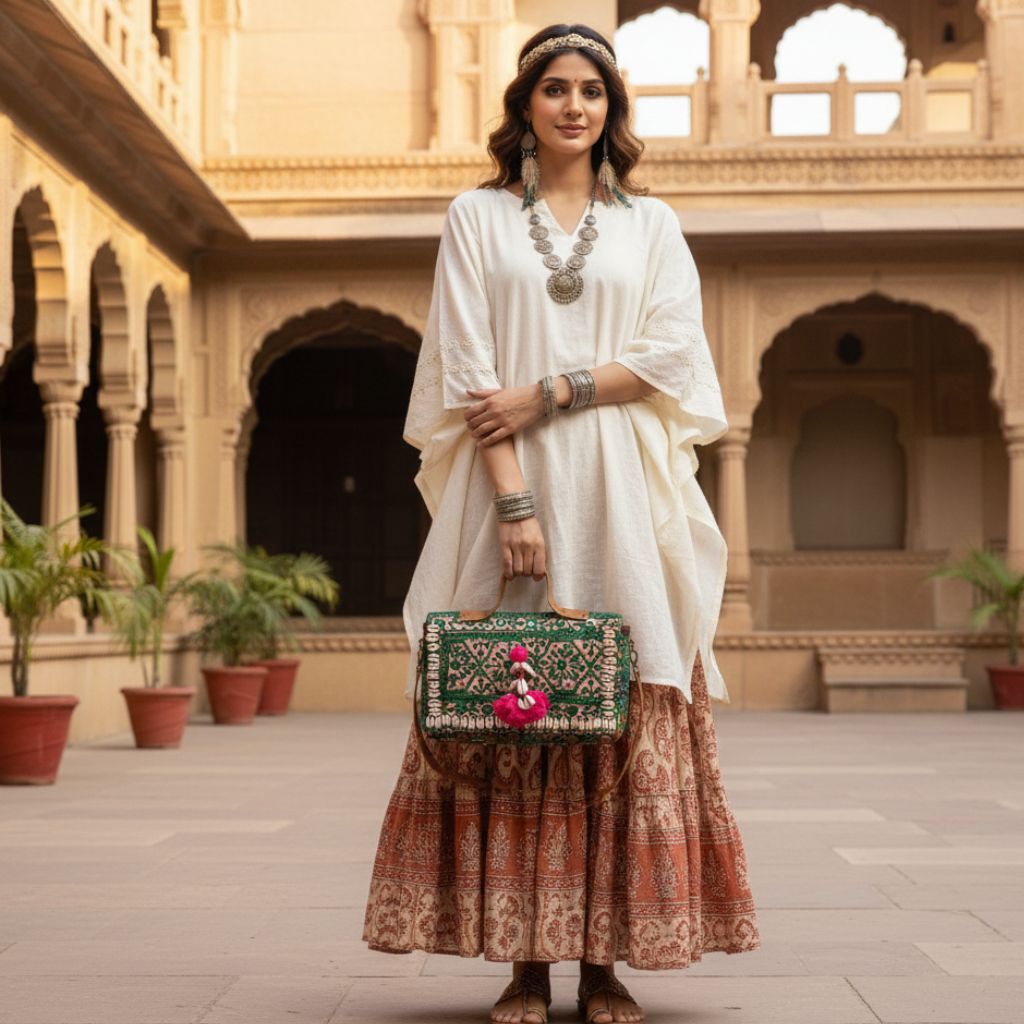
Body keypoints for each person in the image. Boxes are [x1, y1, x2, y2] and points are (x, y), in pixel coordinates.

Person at [362, 23, 760, 1024]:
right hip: (512, 485)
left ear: (612, 109)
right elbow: (463, 369)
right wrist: (513, 503)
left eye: (592, 90)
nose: (574, 104)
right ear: (524, 105)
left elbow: (672, 358)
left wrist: (551, 391)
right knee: (514, 702)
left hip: (621, 492)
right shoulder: (477, 217)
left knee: (619, 705)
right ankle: (526, 965)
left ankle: (607, 962)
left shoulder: (651, 224)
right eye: (555, 88)